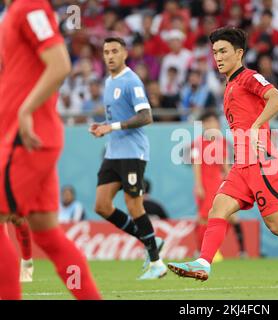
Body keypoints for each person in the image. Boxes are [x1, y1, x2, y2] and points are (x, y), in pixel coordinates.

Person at [168, 27, 278, 292]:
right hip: (243, 163)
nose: (217, 57)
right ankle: (204, 263)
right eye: (215, 52)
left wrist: (256, 127)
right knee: (218, 208)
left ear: (239, 53)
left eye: (223, 51)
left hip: (261, 161)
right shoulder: (229, 84)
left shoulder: (248, 77)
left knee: (277, 225)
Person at [0, 0, 101, 300]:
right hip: (32, 136)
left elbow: (60, 64)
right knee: (47, 233)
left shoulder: (28, 6)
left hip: (26, 137)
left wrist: (25, 110)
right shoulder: (19, 10)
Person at [89, 37, 166, 280]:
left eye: (114, 51)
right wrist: (104, 126)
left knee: (134, 205)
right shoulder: (108, 81)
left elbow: (146, 116)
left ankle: (157, 263)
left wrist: (111, 127)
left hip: (133, 151)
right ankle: (152, 239)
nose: (110, 56)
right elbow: (118, 118)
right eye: (106, 52)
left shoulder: (132, 81)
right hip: (114, 151)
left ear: (124, 54)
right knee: (101, 205)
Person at [191, 111, 246, 257]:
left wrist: (232, 183)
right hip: (205, 184)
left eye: (213, 122)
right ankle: (200, 251)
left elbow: (225, 166)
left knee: (231, 216)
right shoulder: (197, 143)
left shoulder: (221, 142)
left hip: (219, 184)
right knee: (203, 218)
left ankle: (241, 251)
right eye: (207, 122)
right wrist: (199, 186)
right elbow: (196, 165)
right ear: (203, 125)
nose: (211, 125)